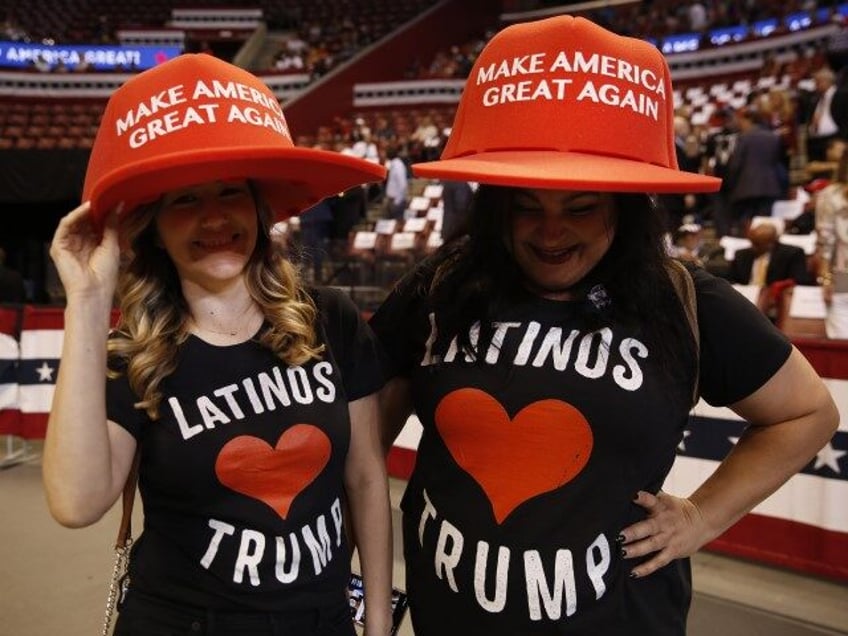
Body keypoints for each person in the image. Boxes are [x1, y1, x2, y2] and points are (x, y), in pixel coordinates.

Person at [368, 16, 839, 636]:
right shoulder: (442, 287)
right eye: (525, 207)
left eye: (581, 208)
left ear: (625, 207)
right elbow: (361, 441)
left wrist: (702, 516)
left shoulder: (683, 300)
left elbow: (809, 413)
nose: (550, 231)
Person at [42, 54, 394, 636]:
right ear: (153, 226)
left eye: (229, 192)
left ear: (257, 207)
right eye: (184, 200)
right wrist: (86, 299)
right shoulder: (136, 354)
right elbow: (76, 504)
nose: (213, 218)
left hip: (321, 621)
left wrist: (377, 622)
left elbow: (364, 478)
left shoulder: (329, 318)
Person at [814, 141, 848, 338]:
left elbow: (825, 243)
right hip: (842, 278)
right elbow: (825, 243)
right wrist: (826, 278)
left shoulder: (830, 196)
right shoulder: (831, 196)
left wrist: (825, 278)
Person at [728, 223, 811, 287]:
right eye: (752, 242)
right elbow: (731, 280)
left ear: (771, 243)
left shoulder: (792, 254)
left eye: (758, 244)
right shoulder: (741, 255)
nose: (753, 247)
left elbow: (799, 280)